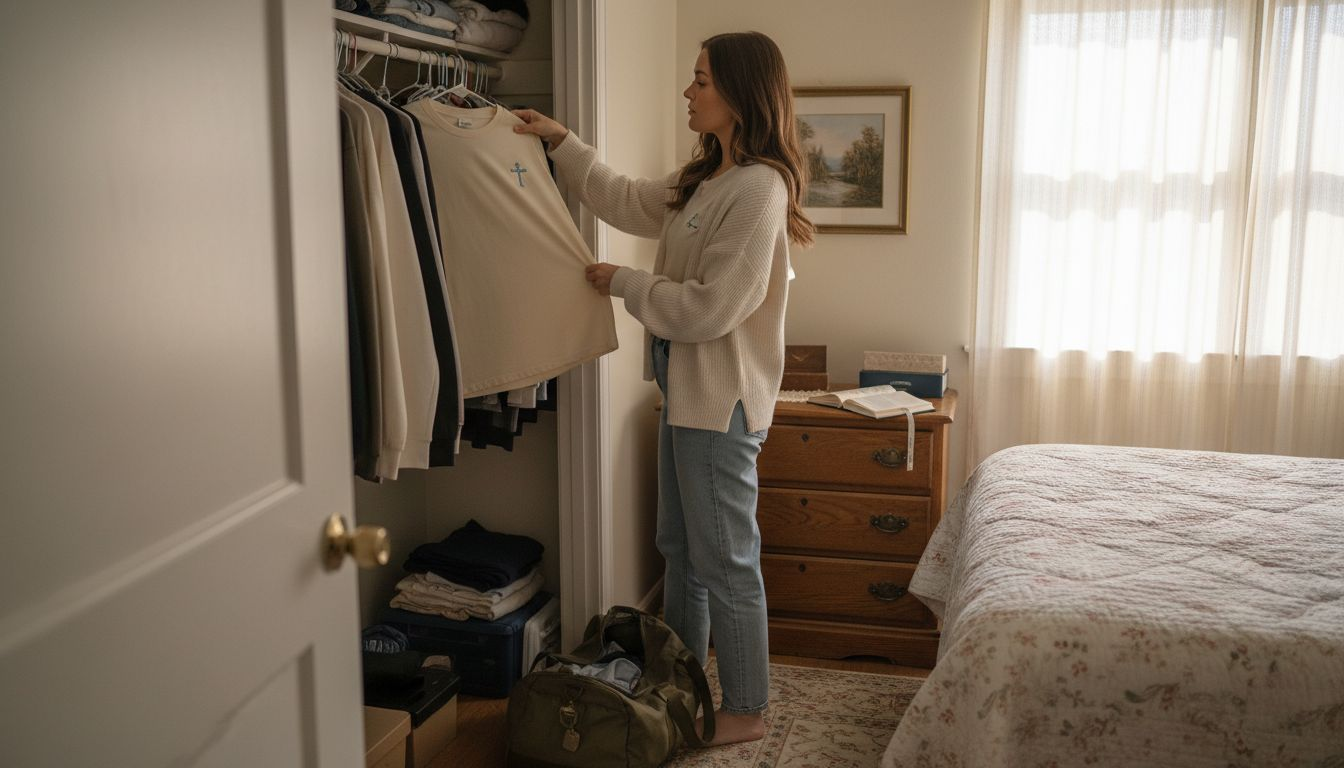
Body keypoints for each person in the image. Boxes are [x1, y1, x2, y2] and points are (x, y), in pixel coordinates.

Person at [513, 30, 813, 746]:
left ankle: (746, 708)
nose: (689, 91)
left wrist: (625, 283)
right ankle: (678, 679)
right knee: (679, 548)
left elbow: (710, 308)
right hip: (687, 397)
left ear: (739, 93)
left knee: (726, 560)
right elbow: (623, 198)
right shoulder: (707, 182)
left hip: (720, 404)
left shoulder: (760, 189)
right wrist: (561, 140)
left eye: (701, 80)